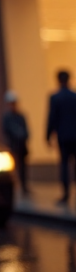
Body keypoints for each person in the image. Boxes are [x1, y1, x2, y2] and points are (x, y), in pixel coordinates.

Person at [48, 69, 76, 206]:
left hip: (63, 136)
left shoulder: (55, 97)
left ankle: (66, 195)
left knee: (64, 165)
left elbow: (52, 118)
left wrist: (48, 135)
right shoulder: (74, 96)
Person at [2, 91, 29, 195]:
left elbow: (26, 130)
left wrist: (23, 137)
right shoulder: (7, 117)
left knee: (23, 167)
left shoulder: (20, 116)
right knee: (14, 167)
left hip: (21, 145)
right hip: (13, 145)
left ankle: (24, 186)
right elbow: (6, 130)